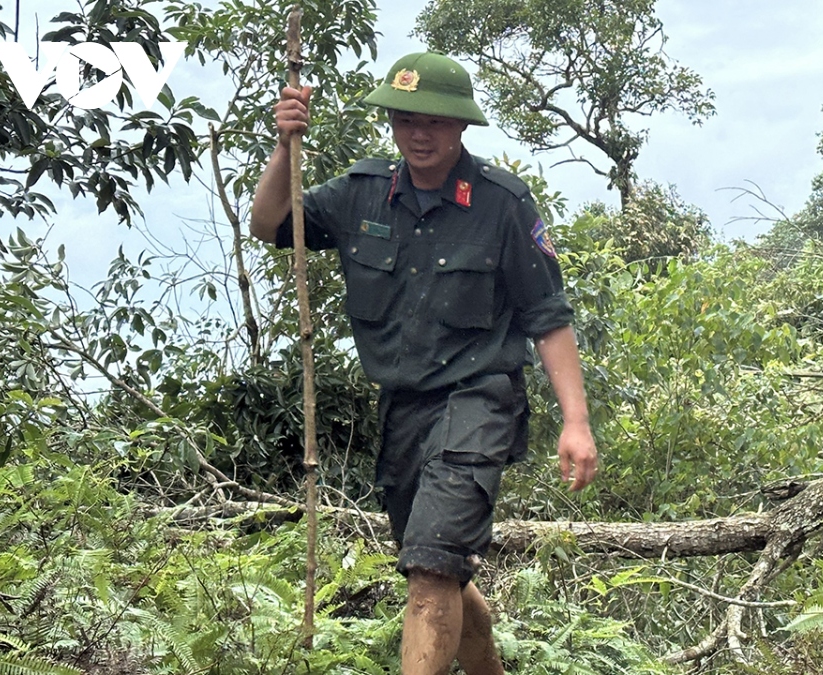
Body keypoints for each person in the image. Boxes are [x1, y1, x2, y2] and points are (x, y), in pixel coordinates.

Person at [250, 52, 599, 675]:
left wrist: (576, 421)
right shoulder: (361, 192)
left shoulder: (502, 203)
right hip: (404, 411)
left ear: (461, 125)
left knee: (432, 567)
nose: (419, 133)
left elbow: (547, 315)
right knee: (436, 568)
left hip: (479, 399)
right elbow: (271, 223)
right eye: (405, 119)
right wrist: (285, 144)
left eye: (434, 121)